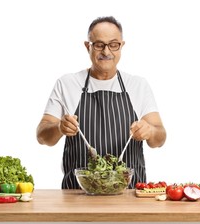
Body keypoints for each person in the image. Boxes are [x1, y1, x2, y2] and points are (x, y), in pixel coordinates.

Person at [36, 16, 166, 189]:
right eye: (99, 44)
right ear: (87, 46)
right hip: (77, 196)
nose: (106, 52)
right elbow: (42, 136)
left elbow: (160, 138)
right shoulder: (67, 84)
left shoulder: (138, 85)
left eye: (113, 44)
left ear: (122, 46)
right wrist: (59, 127)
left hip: (129, 196)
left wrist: (149, 131)